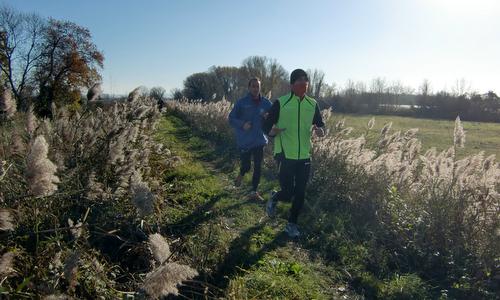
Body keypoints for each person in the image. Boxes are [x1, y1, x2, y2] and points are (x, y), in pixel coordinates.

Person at [262, 69, 325, 238]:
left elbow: (320, 124)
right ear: (292, 84)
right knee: (288, 192)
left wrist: (320, 131)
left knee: (301, 191)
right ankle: (275, 197)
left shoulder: (312, 104)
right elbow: (265, 126)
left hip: (304, 154)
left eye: (305, 80)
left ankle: (292, 224)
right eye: (299, 80)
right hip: (284, 154)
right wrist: (273, 131)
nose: (303, 83)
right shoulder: (281, 103)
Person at [228, 77, 272, 200]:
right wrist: (242, 124)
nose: (255, 88)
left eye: (257, 86)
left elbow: (274, 116)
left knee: (258, 166)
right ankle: (241, 174)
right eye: (253, 86)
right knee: (246, 166)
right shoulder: (241, 102)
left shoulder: (266, 103)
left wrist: (268, 117)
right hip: (245, 141)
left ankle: (254, 191)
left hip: (259, 140)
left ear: (260, 88)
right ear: (249, 87)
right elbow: (231, 118)